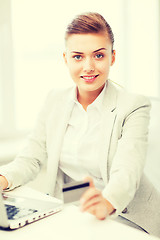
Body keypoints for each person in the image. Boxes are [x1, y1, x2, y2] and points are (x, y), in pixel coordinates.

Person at [0, 12, 160, 237]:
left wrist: (107, 201)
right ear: (65, 59)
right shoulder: (54, 100)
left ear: (112, 57)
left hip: (128, 214)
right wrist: (3, 179)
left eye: (98, 55)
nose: (88, 67)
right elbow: (31, 157)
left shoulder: (133, 106)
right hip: (76, 209)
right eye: (77, 57)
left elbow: (127, 171)